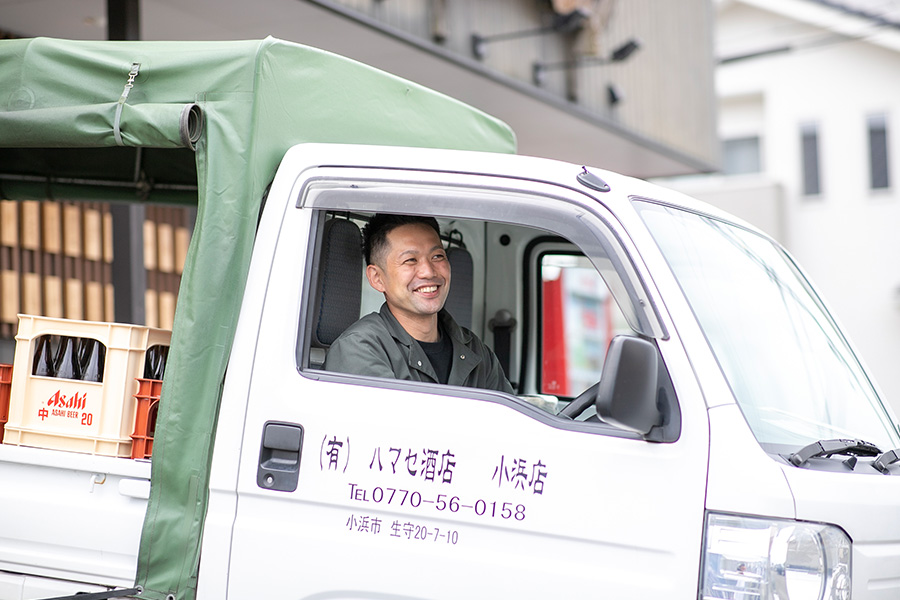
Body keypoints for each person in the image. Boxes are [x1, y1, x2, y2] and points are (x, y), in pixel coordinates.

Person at [325, 214, 514, 394]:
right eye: (410, 260)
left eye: (437, 256)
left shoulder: (475, 350)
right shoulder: (358, 348)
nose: (428, 272)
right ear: (377, 278)